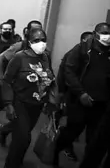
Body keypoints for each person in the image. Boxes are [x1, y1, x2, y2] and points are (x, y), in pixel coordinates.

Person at [1, 27, 59, 168]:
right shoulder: (20, 57)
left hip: (37, 104)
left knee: (23, 137)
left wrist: (52, 100)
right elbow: (7, 81)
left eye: (43, 40)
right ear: (29, 41)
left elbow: (49, 76)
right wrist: (8, 104)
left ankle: (17, 160)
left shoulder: (45, 57)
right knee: (23, 138)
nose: (41, 43)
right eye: (36, 40)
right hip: (20, 103)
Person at [53, 22, 110, 167]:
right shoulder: (82, 49)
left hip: (101, 103)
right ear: (95, 33)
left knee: (94, 139)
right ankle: (54, 151)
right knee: (72, 132)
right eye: (103, 33)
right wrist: (81, 93)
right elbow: (69, 72)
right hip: (80, 101)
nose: (107, 37)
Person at [55, 31, 93, 161]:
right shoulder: (74, 53)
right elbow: (64, 74)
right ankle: (59, 149)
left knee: (92, 134)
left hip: (94, 100)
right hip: (74, 96)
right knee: (71, 127)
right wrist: (60, 94)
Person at [0, 21, 20, 136]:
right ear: (0, 30)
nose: (7, 31)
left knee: (12, 103)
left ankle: (8, 129)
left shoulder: (16, 45)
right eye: (4, 29)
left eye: (9, 29)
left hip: (11, 79)